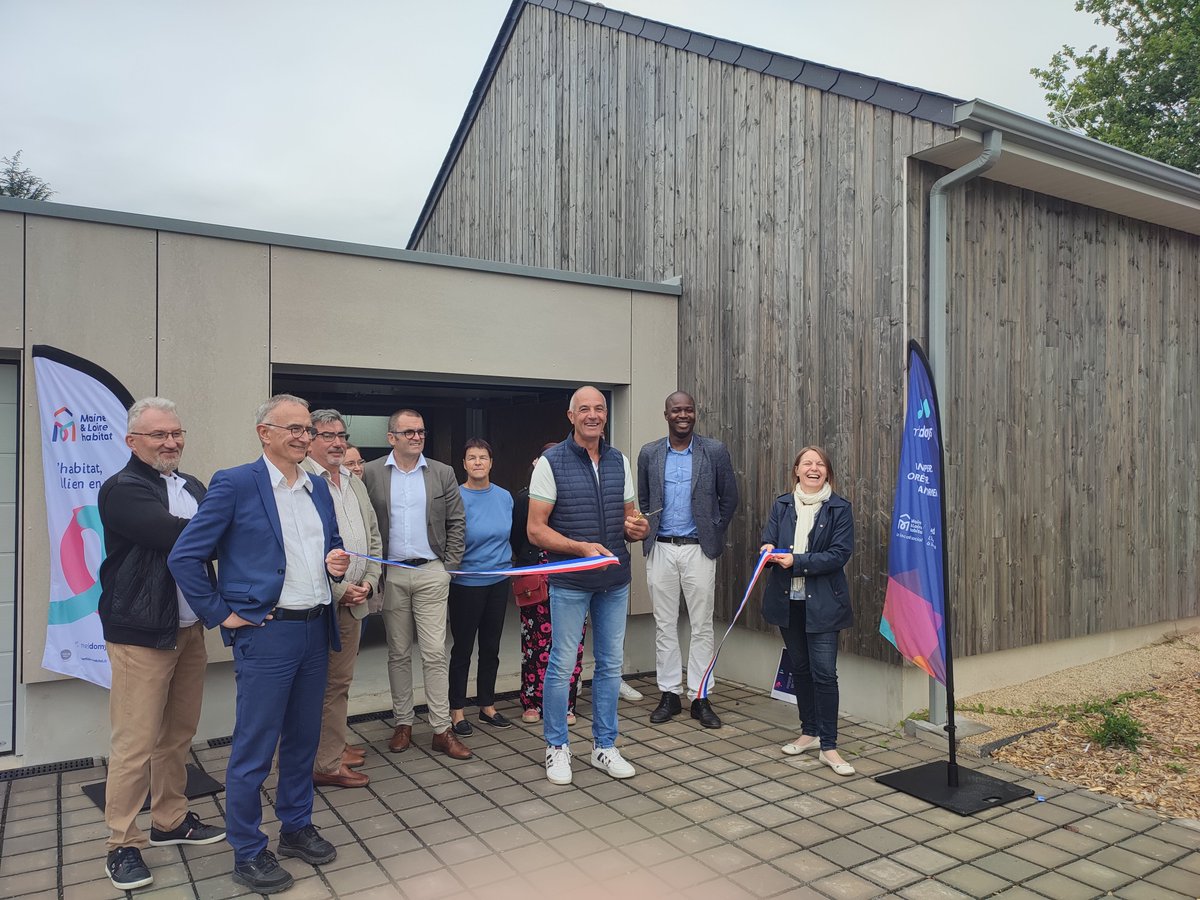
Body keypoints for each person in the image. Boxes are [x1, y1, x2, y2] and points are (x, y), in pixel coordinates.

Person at [168, 395, 351, 893]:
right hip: (267, 634)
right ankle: (247, 849)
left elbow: (330, 543)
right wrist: (223, 614)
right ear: (263, 433)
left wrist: (335, 562)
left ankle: (295, 827)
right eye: (290, 428)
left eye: (306, 429)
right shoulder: (235, 483)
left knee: (302, 741)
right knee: (254, 747)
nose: (302, 436)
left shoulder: (316, 486)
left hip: (316, 628)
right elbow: (185, 557)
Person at [97, 397, 225, 891]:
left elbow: (209, 536)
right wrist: (228, 531)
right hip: (141, 633)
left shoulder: (190, 485)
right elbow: (181, 537)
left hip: (189, 627)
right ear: (133, 441)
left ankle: (171, 821)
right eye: (158, 435)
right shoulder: (123, 489)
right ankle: (122, 844)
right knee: (134, 742)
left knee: (177, 733)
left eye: (176, 433)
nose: (171, 442)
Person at [528, 386, 650, 785]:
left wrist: (639, 527)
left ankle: (604, 746)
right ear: (571, 416)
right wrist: (578, 547)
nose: (593, 415)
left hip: (614, 581)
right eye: (585, 409)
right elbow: (535, 530)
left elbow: (631, 521)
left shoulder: (620, 461)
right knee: (562, 666)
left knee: (611, 665)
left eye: (599, 408)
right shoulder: (551, 462)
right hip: (570, 582)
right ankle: (557, 747)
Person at [360, 409, 470, 760]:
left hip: (431, 572)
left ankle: (441, 728)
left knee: (435, 652)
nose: (417, 437)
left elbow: (457, 521)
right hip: (391, 574)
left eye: (421, 431)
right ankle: (403, 722)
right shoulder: (372, 472)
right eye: (408, 432)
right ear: (391, 437)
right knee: (398, 652)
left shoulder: (442, 472)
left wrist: (448, 568)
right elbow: (365, 524)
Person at [637, 391, 739, 729]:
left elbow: (730, 497)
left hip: (698, 548)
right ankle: (668, 693)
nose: (683, 415)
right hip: (661, 548)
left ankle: (700, 695)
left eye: (689, 410)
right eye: (676, 410)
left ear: (696, 414)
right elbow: (645, 497)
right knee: (664, 624)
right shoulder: (650, 453)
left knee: (702, 625)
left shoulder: (714, 451)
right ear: (665, 414)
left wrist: (713, 529)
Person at [759, 446, 856, 777]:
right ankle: (809, 732)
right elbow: (770, 537)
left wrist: (796, 561)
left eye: (820, 464)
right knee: (800, 669)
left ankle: (829, 746)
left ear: (827, 472)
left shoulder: (840, 509)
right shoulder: (782, 504)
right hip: (788, 603)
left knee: (824, 673)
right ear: (796, 470)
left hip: (824, 605)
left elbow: (838, 554)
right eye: (807, 463)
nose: (813, 468)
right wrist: (768, 548)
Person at [301, 411, 382, 789]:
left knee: (338, 683)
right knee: (313, 685)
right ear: (310, 438)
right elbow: (298, 551)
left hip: (355, 602)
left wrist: (368, 581)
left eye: (341, 435)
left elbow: (373, 537)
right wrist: (338, 589)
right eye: (327, 435)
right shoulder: (302, 481)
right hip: (318, 603)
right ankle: (323, 760)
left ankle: (329, 754)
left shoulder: (353, 482)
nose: (337, 442)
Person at [512, 444, 585, 726]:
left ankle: (567, 705)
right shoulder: (525, 498)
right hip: (535, 576)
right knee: (535, 642)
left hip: (572, 576)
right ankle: (532, 700)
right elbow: (517, 538)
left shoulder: (578, 496)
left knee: (570, 642)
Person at [448, 439, 514, 735]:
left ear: (491, 463)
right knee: (462, 649)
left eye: (483, 457)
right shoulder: (455, 497)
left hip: (499, 582)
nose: (477, 462)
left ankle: (487, 706)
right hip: (466, 584)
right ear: (463, 464)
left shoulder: (504, 497)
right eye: (471, 457)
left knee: (491, 647)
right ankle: (457, 711)